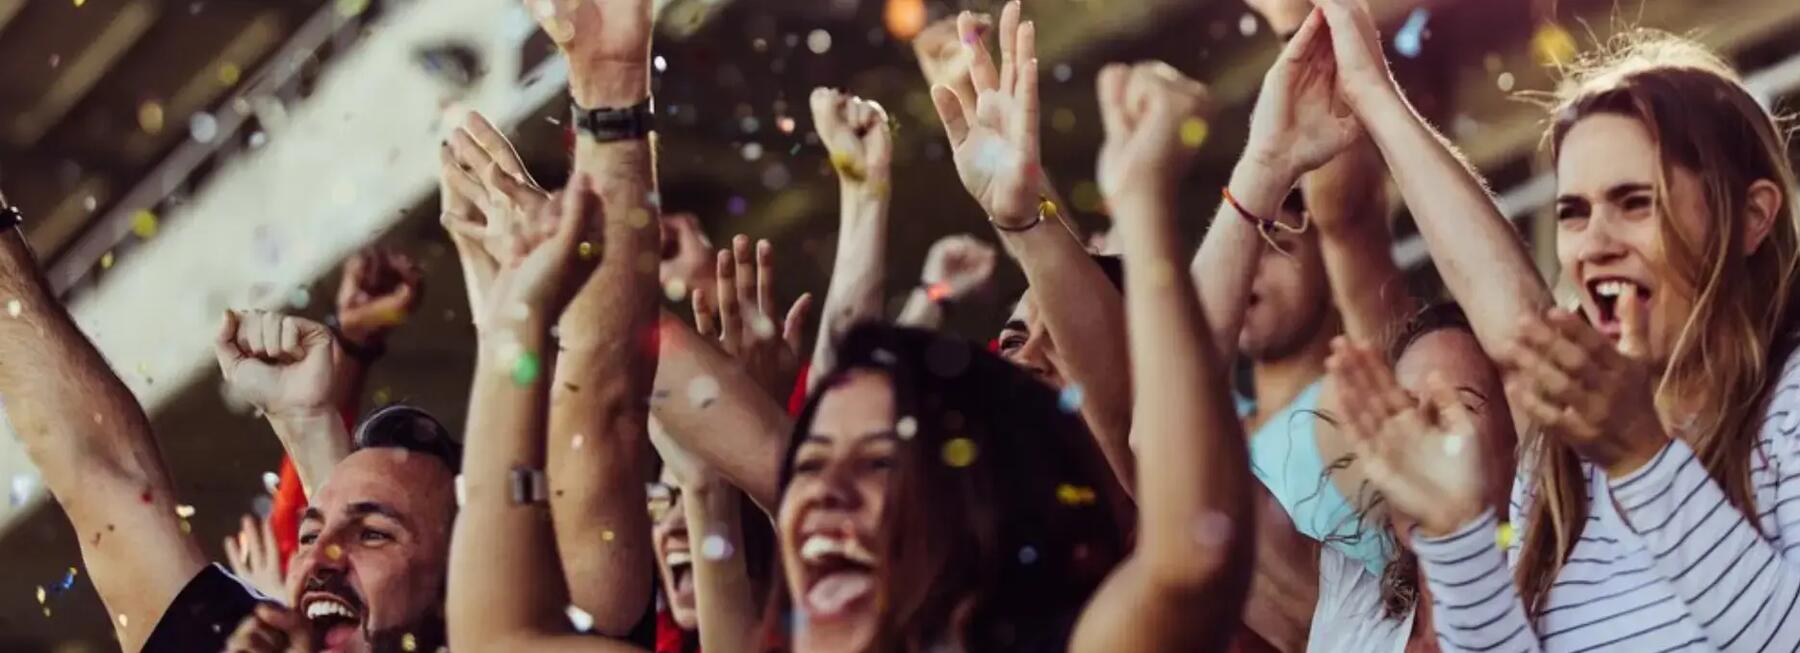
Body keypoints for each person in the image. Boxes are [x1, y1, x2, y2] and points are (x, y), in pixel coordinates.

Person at [1306, 0, 1800, 649]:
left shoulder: (1788, 403)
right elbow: (1514, 322)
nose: (1595, 242)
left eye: (1633, 201)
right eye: (1572, 211)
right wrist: (1456, 534)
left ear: (1752, 215)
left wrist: (1643, 461)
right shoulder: (1565, 464)